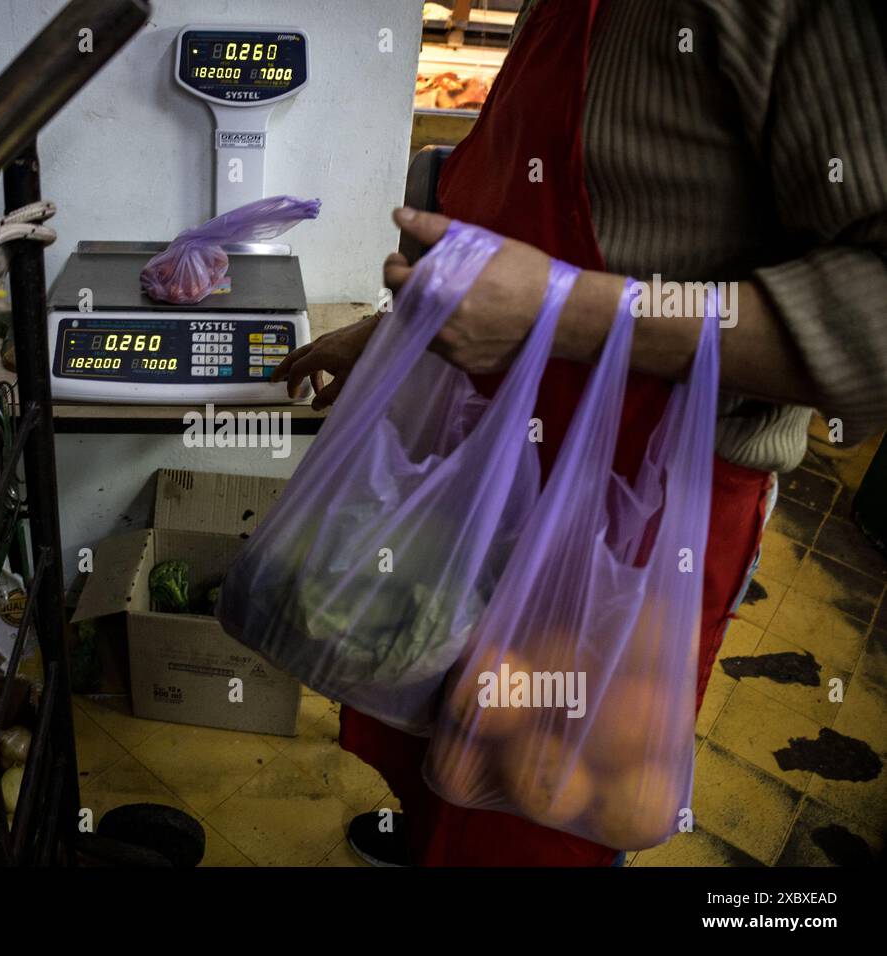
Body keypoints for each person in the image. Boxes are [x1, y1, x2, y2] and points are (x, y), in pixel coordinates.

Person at [272, 0, 887, 866]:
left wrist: (565, 314)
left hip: (631, 515)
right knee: (429, 738)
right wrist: (394, 341)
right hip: (473, 467)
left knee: (537, 798)